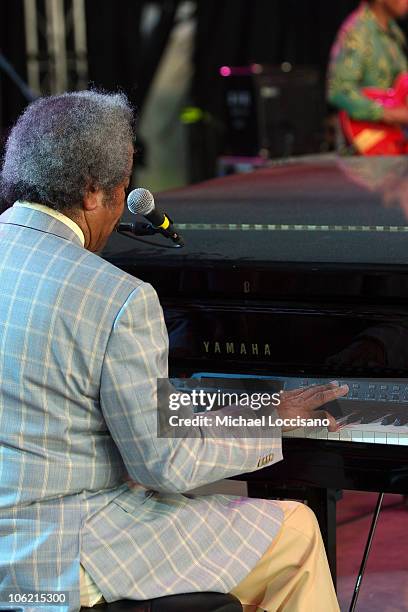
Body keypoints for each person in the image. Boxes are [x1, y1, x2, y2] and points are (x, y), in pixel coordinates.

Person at [0, 91, 348, 612]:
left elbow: (80, 409)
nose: (121, 209)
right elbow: (161, 462)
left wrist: (250, 408)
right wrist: (269, 420)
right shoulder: (117, 297)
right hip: (62, 558)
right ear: (94, 192)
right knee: (295, 529)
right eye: (122, 190)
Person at [328, 0, 408, 126]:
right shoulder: (358, 31)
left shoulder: (395, 33)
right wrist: (388, 114)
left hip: (394, 133)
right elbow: (339, 90)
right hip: (369, 137)